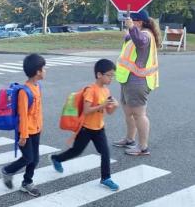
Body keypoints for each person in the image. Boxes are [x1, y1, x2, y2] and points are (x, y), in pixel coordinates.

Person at [49, 59, 120, 191]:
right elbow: (87, 110)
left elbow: (108, 112)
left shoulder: (106, 91)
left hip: (99, 128)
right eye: (109, 75)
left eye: (113, 75)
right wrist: (103, 105)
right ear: (99, 74)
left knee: (105, 153)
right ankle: (56, 158)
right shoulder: (91, 90)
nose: (111, 78)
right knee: (76, 151)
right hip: (86, 129)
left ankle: (106, 178)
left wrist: (114, 106)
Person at [113, 10, 160, 156]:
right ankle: (129, 139)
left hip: (138, 80)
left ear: (139, 22)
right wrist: (130, 31)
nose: (128, 22)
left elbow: (140, 41)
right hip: (127, 79)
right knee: (129, 112)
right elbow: (132, 40)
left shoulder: (145, 35)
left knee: (139, 114)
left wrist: (132, 28)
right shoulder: (138, 33)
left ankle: (143, 147)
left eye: (132, 20)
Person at [0, 53, 46, 197]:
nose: (45, 71)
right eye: (44, 68)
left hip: (35, 130)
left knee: (35, 158)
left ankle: (27, 183)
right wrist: (24, 135)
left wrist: (39, 127)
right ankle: (7, 171)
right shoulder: (24, 92)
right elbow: (24, 116)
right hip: (25, 132)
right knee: (28, 158)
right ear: (38, 72)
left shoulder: (37, 87)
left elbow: (37, 111)